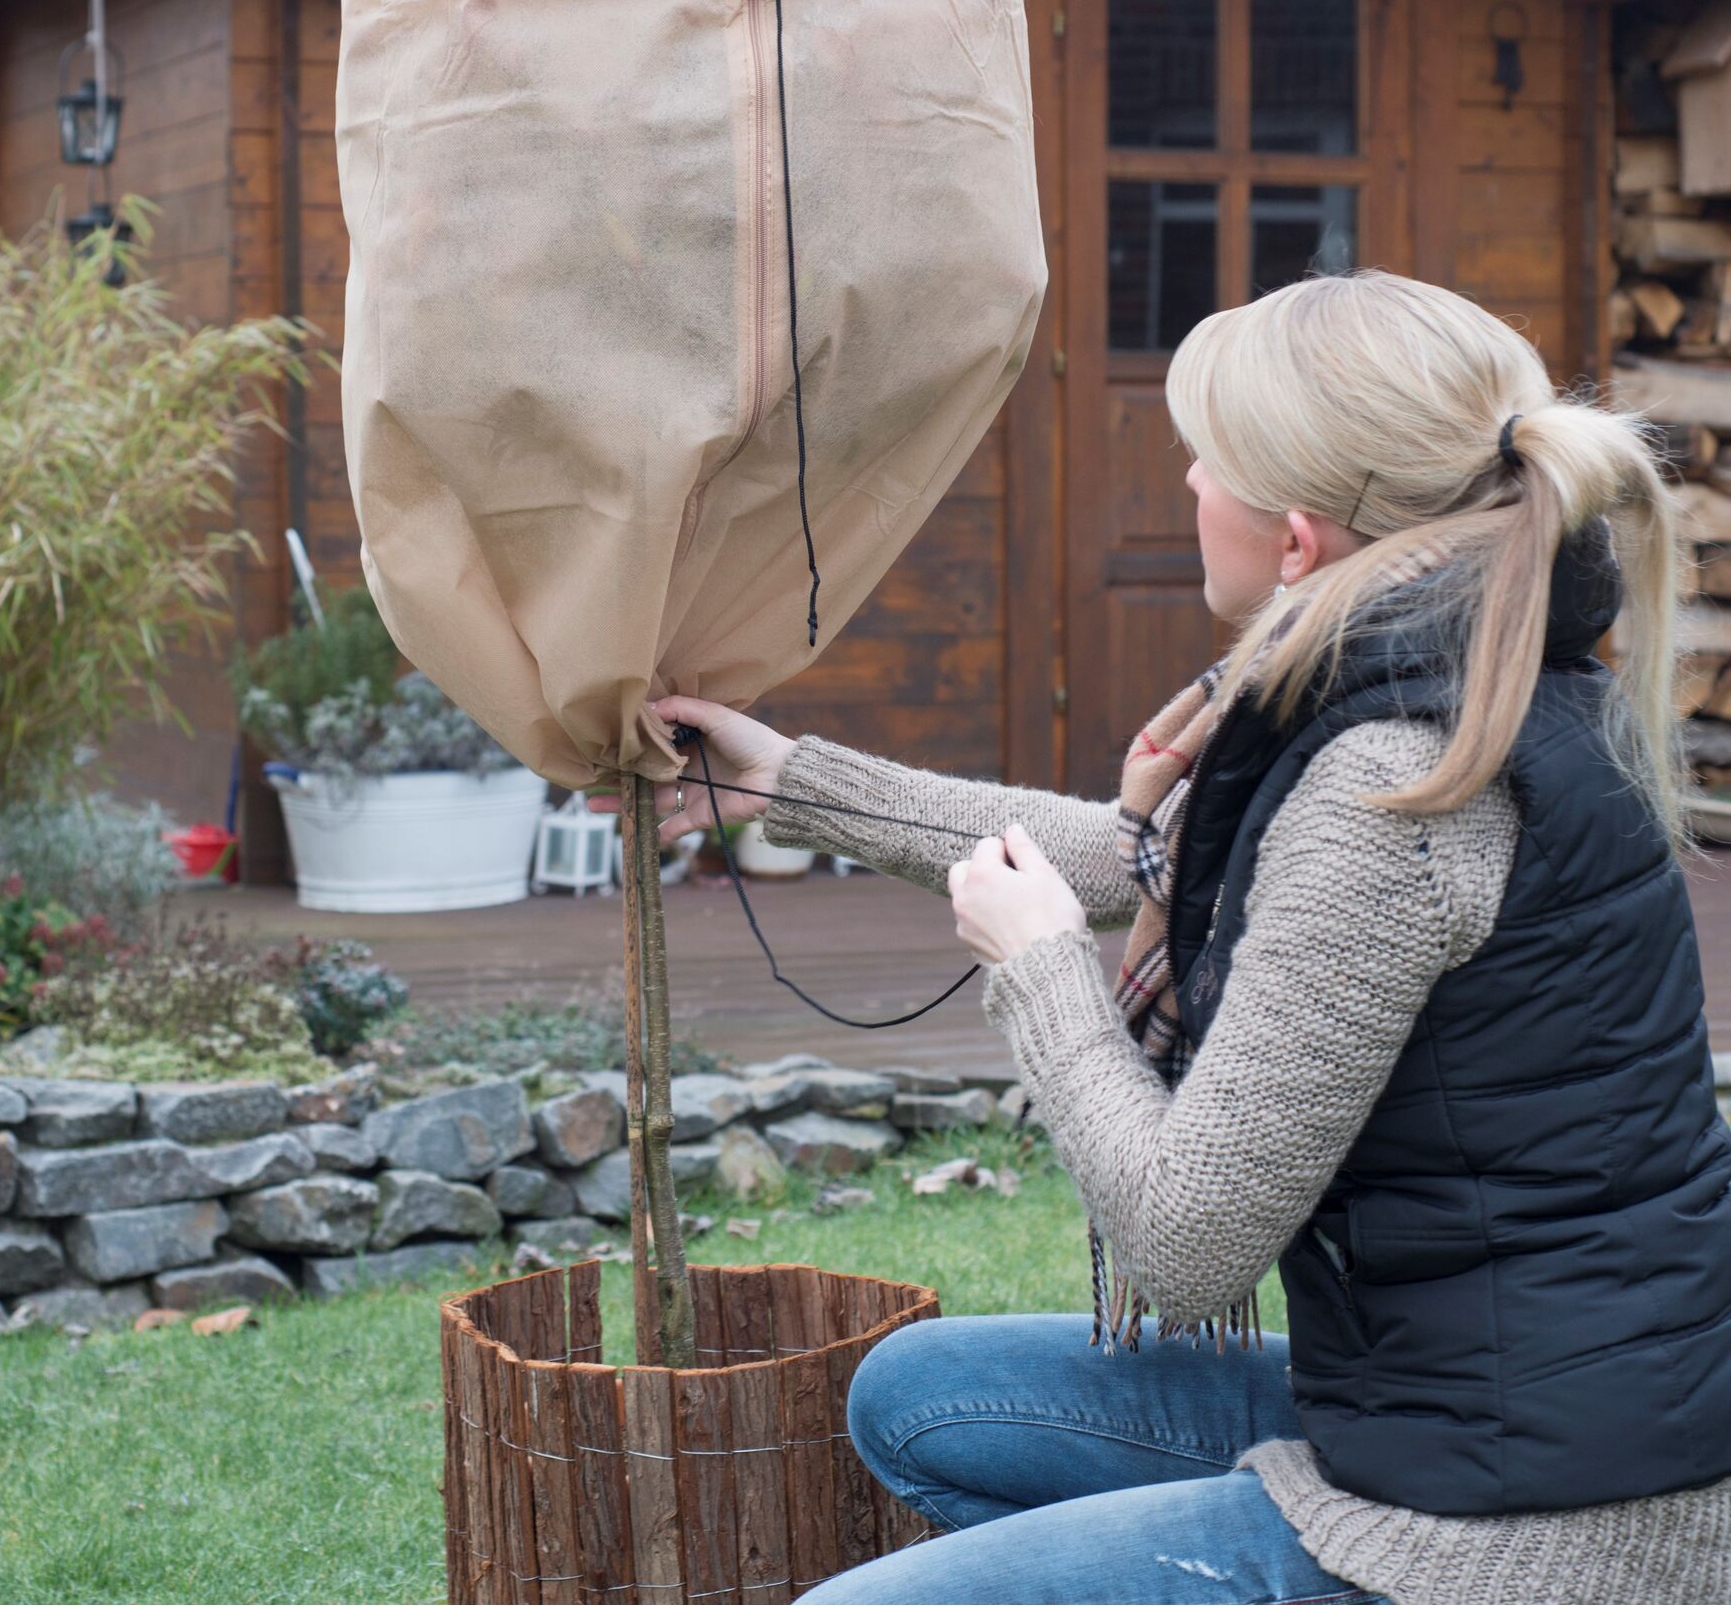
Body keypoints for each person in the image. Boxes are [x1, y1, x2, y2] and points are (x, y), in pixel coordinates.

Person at [598, 271, 1731, 1604]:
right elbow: (1157, 858)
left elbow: (1186, 1249)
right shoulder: (1480, 660)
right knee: (921, 1397)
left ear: (1296, 539)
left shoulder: (1397, 787)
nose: (1186, 474)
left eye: (1208, 455)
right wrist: (793, 781)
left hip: (1517, 1541)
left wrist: (1040, 973)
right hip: (1468, 1413)